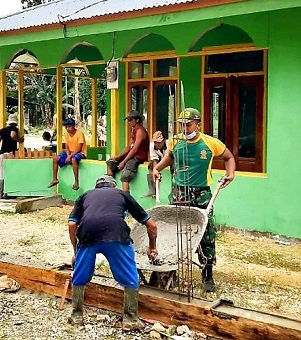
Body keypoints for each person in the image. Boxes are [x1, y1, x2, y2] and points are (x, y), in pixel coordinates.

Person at [152, 107, 235, 292]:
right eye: (181, 125)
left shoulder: (210, 143)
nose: (184, 128)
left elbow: (229, 157)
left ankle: (207, 274)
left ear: (198, 124)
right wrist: (157, 168)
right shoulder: (175, 141)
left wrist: (230, 174)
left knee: (206, 233)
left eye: (188, 125)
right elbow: (169, 157)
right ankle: (170, 272)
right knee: (175, 232)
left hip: (201, 193)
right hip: (179, 192)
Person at [67, 175, 158, 329]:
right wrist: (152, 247)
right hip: (117, 235)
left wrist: (76, 250)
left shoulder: (85, 195)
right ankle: (130, 319)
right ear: (114, 186)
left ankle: (76, 316)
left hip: (87, 235)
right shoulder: (122, 194)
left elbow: (71, 224)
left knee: (80, 275)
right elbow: (152, 225)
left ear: (96, 187)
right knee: (130, 277)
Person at [106, 110, 149, 192]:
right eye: (128, 120)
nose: (129, 122)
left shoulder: (140, 131)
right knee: (110, 162)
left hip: (138, 157)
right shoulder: (133, 130)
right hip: (131, 155)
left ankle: (126, 197)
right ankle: (110, 189)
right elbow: (129, 147)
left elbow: (135, 149)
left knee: (124, 177)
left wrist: (123, 162)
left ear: (137, 120)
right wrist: (117, 156)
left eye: (130, 120)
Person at [48, 118, 86, 190]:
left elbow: (79, 148)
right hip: (70, 153)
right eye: (66, 127)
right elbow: (67, 146)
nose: (67, 128)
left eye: (69, 126)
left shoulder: (79, 134)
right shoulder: (67, 134)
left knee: (74, 159)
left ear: (73, 126)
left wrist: (70, 156)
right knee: (55, 158)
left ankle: (76, 182)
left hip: (81, 153)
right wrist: (68, 155)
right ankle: (55, 179)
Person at [0, 114, 20, 198]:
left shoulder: (2, 130)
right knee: (10, 173)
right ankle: (7, 193)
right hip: (11, 155)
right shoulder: (15, 129)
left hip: (2, 154)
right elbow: (13, 135)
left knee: (1, 174)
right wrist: (18, 140)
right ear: (15, 123)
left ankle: (0, 193)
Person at [144, 130, 167, 198]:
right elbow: (154, 159)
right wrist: (155, 170)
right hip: (160, 158)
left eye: (159, 142)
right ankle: (152, 189)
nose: (157, 144)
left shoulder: (169, 144)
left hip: (170, 159)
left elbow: (169, 158)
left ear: (164, 141)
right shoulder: (152, 145)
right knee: (150, 166)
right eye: (155, 142)